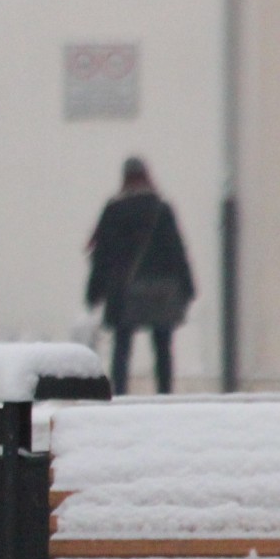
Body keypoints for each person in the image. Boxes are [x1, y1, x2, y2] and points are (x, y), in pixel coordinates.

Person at [85, 157, 195, 395]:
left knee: (122, 346)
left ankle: (120, 394)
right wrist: (188, 286)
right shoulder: (161, 209)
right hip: (161, 289)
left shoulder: (114, 210)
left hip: (124, 289)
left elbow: (102, 255)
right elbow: (177, 250)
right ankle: (165, 393)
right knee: (163, 345)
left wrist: (94, 292)